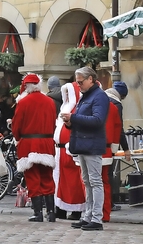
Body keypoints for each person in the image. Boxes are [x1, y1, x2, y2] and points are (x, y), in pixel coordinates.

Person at [63, 66, 110, 231]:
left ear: (91, 79)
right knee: (88, 182)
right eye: (77, 82)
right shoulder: (87, 96)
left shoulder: (99, 96)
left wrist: (73, 118)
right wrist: (70, 123)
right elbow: (83, 120)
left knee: (95, 182)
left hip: (92, 144)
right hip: (83, 143)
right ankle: (88, 216)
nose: (79, 85)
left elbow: (97, 120)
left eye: (81, 82)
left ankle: (96, 218)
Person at [12, 73, 57, 222]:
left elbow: (16, 126)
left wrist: (18, 138)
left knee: (33, 178)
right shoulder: (49, 101)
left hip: (29, 143)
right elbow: (53, 123)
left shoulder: (23, 102)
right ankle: (51, 212)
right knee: (47, 177)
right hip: (46, 142)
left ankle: (38, 213)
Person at [53, 81, 86, 220]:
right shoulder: (64, 108)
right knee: (59, 182)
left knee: (73, 183)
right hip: (59, 151)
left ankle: (75, 210)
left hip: (70, 150)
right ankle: (60, 208)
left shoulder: (77, 110)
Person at [101, 87, 125, 223]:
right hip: (106, 149)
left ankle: (96, 213)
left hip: (96, 148)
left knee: (94, 183)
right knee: (104, 182)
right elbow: (118, 130)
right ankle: (104, 212)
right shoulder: (113, 107)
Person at [109, 81, 130, 209]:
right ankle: (109, 203)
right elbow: (119, 128)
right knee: (108, 175)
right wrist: (126, 149)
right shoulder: (116, 104)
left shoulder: (100, 97)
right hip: (108, 144)